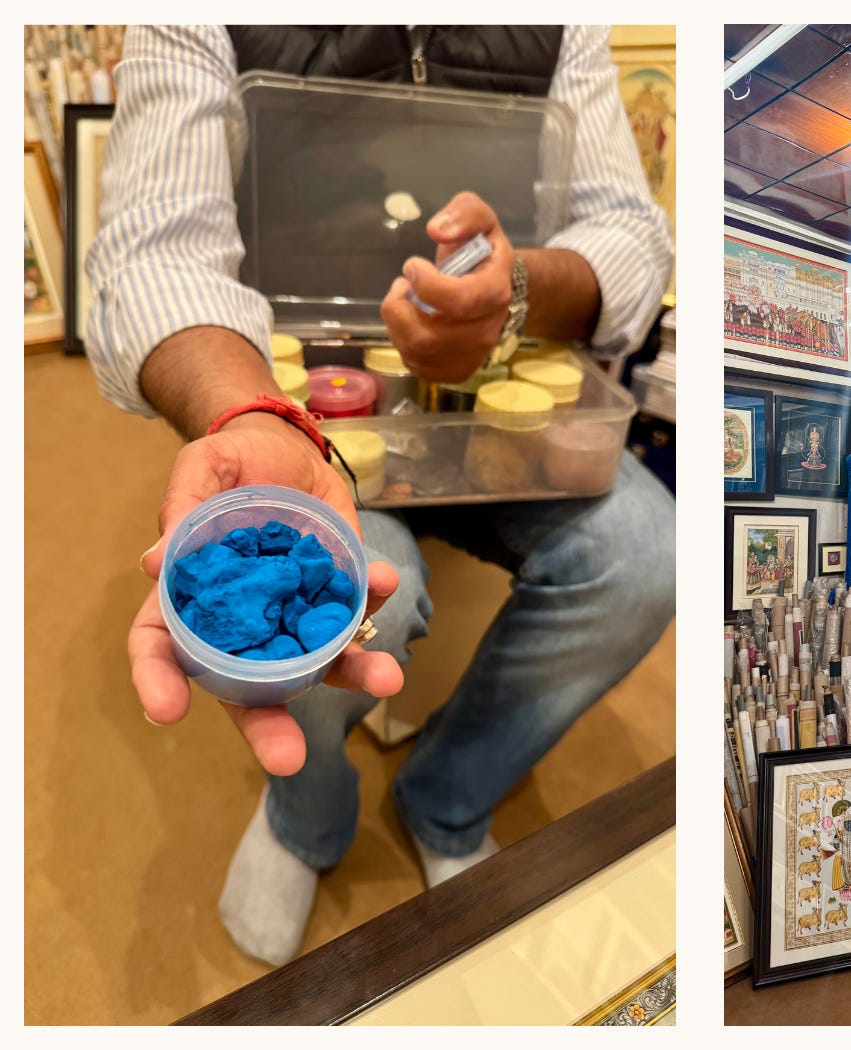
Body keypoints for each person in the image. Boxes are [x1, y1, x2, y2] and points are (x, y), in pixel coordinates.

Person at [84, 26, 675, 968]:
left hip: (498, 395)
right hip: (300, 405)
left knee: (650, 558)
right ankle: (307, 817)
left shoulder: (572, 24)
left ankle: (445, 799)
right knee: (366, 612)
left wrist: (518, 288)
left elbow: (628, 232)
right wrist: (255, 411)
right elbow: (154, 252)